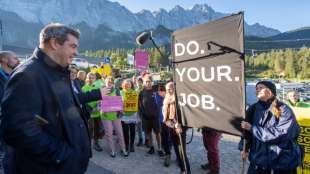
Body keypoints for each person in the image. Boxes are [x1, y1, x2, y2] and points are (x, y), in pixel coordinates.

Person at [0, 23, 108, 174]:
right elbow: (17, 130)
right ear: (55, 43)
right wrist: (64, 156)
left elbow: (68, 106)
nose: (76, 52)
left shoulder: (57, 72)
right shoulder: (27, 75)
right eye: (73, 46)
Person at [241, 81, 302, 174]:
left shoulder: (284, 109)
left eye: (261, 88)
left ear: (270, 91)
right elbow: (246, 133)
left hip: (282, 161)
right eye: (256, 88)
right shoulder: (252, 109)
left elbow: (283, 133)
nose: (257, 90)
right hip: (259, 161)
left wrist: (253, 128)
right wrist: (244, 148)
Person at [162, 82, 191, 174]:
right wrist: (172, 124)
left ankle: (187, 171)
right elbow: (166, 117)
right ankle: (182, 171)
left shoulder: (181, 100)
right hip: (171, 129)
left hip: (180, 130)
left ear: (175, 89)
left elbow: (188, 117)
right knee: (177, 153)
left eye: (170, 88)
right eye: (167, 89)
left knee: (182, 154)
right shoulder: (166, 100)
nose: (168, 91)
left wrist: (182, 127)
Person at [0, 51, 19, 174]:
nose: (18, 60)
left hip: (12, 126)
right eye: (15, 58)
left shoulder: (12, 77)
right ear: (5, 60)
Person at [101, 76, 127, 157]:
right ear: (105, 83)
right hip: (105, 115)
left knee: (119, 132)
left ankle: (123, 149)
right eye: (108, 82)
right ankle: (112, 150)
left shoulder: (116, 90)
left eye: (111, 82)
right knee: (109, 133)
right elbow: (98, 102)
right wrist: (100, 103)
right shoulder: (101, 91)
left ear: (113, 83)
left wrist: (120, 111)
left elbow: (120, 101)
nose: (109, 83)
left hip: (116, 114)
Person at [139, 75, 164, 156]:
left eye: (149, 81)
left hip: (155, 117)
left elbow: (164, 94)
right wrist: (143, 114)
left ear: (151, 82)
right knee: (149, 133)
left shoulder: (156, 89)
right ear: (144, 83)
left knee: (158, 133)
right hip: (146, 117)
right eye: (146, 82)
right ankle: (151, 147)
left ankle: (160, 148)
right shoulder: (142, 92)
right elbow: (140, 105)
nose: (148, 83)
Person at [82, 73, 103, 152]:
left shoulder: (98, 87)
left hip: (97, 112)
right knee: (89, 130)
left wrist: (99, 104)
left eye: (92, 78)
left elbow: (101, 98)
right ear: (86, 78)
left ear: (95, 79)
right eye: (89, 77)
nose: (90, 79)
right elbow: (83, 100)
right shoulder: (84, 88)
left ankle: (96, 143)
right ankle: (88, 145)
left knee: (97, 129)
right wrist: (90, 109)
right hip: (89, 113)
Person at [120, 79, 139, 154]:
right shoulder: (120, 92)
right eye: (126, 84)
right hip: (124, 114)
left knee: (132, 130)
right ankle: (126, 145)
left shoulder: (135, 92)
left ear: (131, 85)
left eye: (129, 84)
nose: (127, 85)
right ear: (123, 85)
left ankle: (132, 145)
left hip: (133, 113)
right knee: (125, 131)